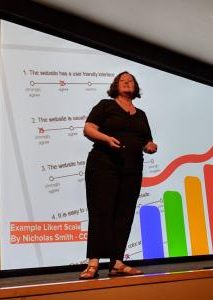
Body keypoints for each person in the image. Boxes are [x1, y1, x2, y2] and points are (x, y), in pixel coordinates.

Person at [79, 71, 158, 279]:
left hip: (132, 170)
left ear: (135, 88)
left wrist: (149, 145)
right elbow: (88, 128)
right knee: (101, 212)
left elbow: (146, 140)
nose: (127, 82)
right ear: (116, 86)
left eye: (131, 80)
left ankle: (117, 263)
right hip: (103, 165)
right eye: (123, 80)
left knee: (124, 214)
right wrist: (106, 139)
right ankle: (93, 263)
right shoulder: (105, 105)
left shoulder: (140, 114)